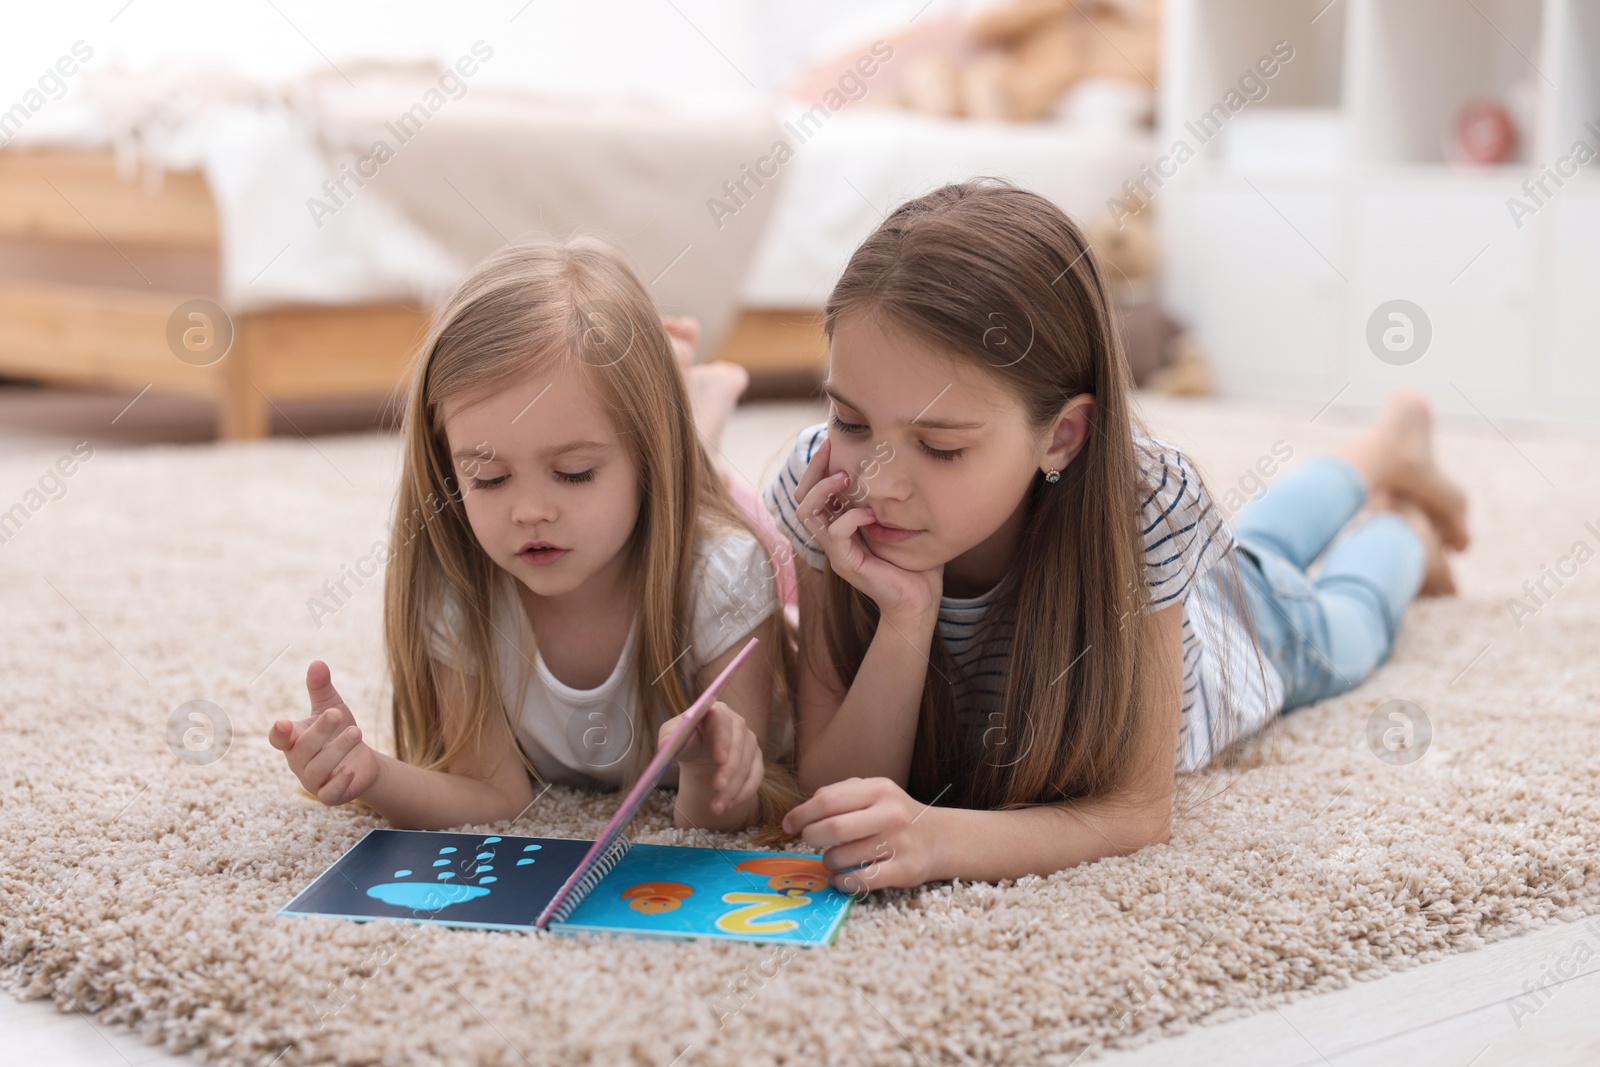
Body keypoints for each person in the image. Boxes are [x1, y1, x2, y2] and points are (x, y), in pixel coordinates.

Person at [762, 180, 1468, 891]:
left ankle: (1404, 521)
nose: (878, 480)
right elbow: (836, 789)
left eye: (941, 446)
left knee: (1343, 615)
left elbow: (1135, 812)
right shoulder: (821, 488)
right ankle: (1389, 450)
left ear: (1063, 437)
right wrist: (905, 620)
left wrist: (942, 838)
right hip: (1194, 573)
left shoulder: (1148, 506)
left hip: (1248, 635)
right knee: (1263, 543)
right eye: (851, 422)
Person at [270, 238, 796, 832]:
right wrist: (374, 773)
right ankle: (683, 396)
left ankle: (698, 409)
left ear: (650, 456)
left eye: (574, 472)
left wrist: (706, 774)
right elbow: (492, 800)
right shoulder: (460, 584)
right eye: (488, 478)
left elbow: (739, 813)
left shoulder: (724, 575)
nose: (530, 512)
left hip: (693, 524)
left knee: (727, 502)